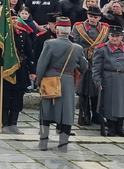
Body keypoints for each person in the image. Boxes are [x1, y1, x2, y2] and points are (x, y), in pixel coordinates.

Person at [35, 17, 89, 151]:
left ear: (57, 31)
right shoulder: (77, 48)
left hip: (50, 79)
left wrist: (38, 81)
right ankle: (63, 144)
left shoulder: (49, 43)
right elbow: (84, 66)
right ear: (69, 32)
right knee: (66, 112)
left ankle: (43, 142)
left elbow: (42, 64)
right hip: (68, 81)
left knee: (46, 111)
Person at [0, 6, 34, 133]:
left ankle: (13, 123)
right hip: (5, 69)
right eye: (11, 19)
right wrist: (1, 39)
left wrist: (32, 71)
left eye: (15, 18)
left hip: (20, 70)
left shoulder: (23, 33)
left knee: (17, 99)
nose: (14, 21)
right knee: (5, 98)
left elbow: (29, 53)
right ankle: (4, 123)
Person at [91, 25, 124, 136]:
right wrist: (98, 81)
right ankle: (110, 127)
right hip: (108, 78)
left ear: (122, 37)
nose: (115, 39)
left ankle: (119, 127)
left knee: (122, 103)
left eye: (117, 36)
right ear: (108, 36)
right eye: (112, 36)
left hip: (123, 78)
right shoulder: (101, 49)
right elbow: (96, 68)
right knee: (109, 103)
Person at [71, 5, 109, 126]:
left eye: (95, 17)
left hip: (99, 61)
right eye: (91, 16)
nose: (93, 19)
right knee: (84, 89)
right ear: (87, 15)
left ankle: (96, 114)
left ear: (99, 18)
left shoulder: (105, 29)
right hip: (84, 59)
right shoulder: (79, 27)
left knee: (97, 89)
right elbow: (76, 44)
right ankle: (85, 114)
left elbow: (106, 44)